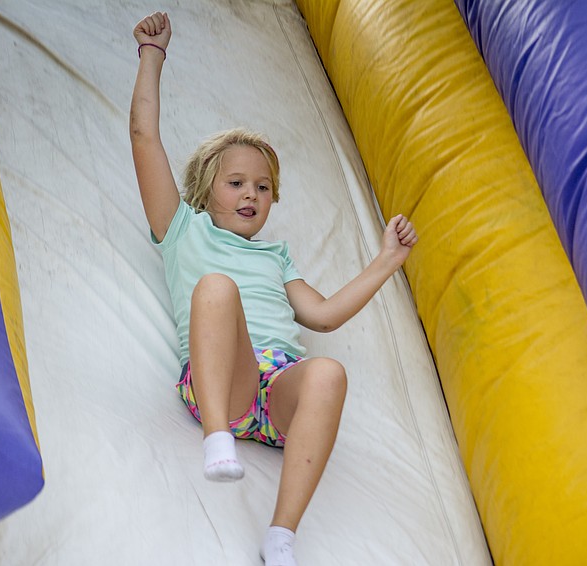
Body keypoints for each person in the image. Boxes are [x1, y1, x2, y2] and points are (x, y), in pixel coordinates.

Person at [130, 11, 418, 566]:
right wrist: (151, 53)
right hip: (225, 385)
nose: (252, 195)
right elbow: (144, 135)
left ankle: (281, 535)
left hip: (276, 391)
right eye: (236, 183)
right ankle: (218, 441)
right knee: (216, 288)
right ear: (203, 188)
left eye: (263, 188)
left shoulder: (276, 257)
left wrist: (387, 261)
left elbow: (326, 315)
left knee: (329, 371)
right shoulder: (181, 229)